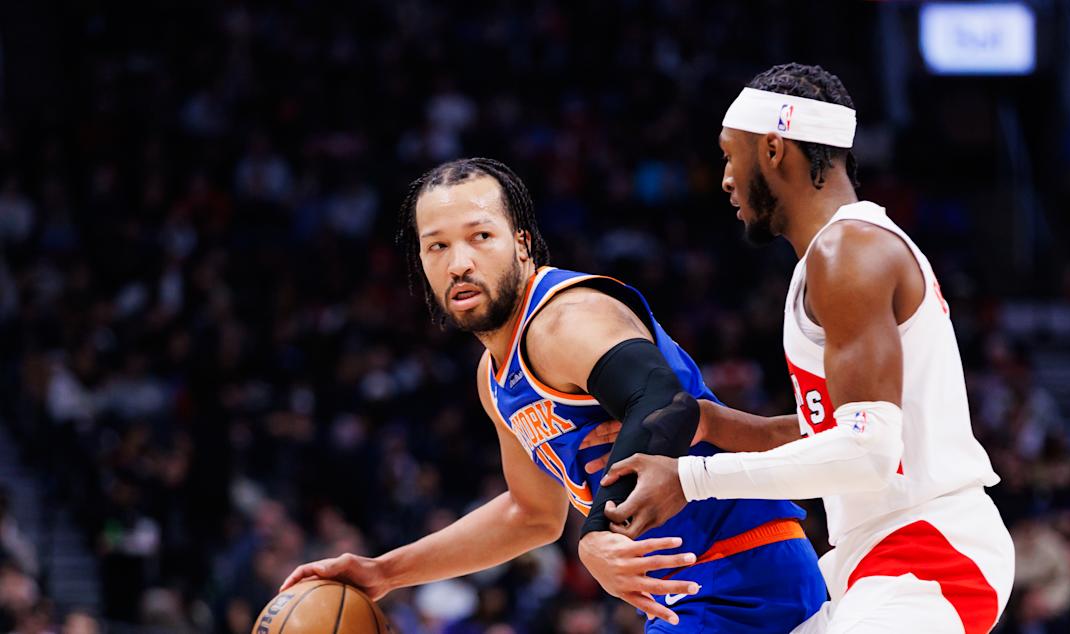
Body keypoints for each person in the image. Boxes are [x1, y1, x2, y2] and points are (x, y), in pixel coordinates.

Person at [279, 158, 826, 631]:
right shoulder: (494, 377)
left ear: (521, 242)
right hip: (690, 596)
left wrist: (594, 533)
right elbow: (531, 514)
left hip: (744, 575)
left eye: (480, 236)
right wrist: (384, 572)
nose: (459, 262)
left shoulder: (563, 320)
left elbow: (664, 400)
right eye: (437, 247)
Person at [597, 64, 1016, 633]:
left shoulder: (848, 252)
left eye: (729, 154)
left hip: (930, 555)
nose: (724, 178)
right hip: (870, 560)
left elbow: (866, 453)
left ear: (773, 149)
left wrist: (690, 478)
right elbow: (829, 435)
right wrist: (710, 423)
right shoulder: (840, 253)